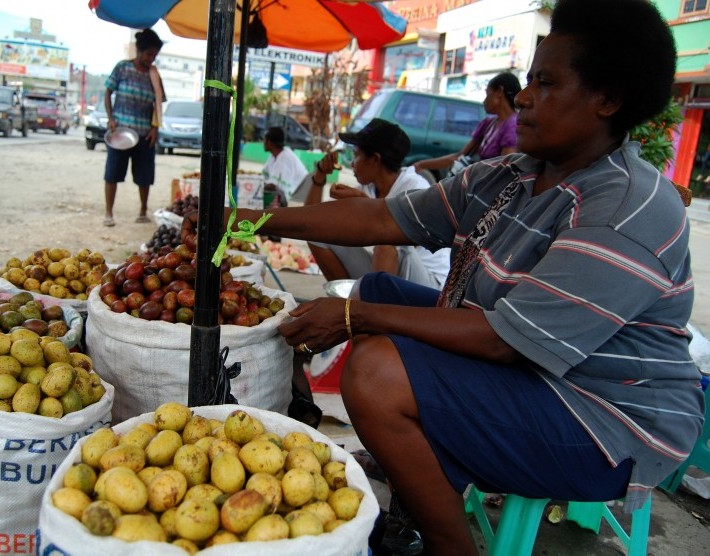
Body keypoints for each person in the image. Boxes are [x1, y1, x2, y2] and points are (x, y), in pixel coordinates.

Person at [182, 1, 704, 554]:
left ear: (607, 99)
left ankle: (447, 544)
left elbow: (507, 341)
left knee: (377, 373)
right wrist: (243, 219)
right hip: (535, 369)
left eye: (546, 83)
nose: (522, 97)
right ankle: (413, 466)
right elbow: (381, 217)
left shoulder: (626, 207)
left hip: (604, 417)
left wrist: (356, 319)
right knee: (377, 289)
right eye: (528, 79)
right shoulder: (513, 174)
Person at [299, 118, 450, 288]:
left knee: (388, 243)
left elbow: (408, 239)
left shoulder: (415, 187)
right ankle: (349, 306)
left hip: (428, 286)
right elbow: (310, 221)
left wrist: (366, 204)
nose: (351, 163)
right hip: (389, 275)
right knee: (320, 232)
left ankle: (364, 311)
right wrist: (320, 175)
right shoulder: (368, 186)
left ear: (375, 160)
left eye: (356, 155)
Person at [102, 28, 165, 227]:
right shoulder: (122, 68)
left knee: (144, 176)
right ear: (139, 50)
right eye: (149, 54)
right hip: (120, 132)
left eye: (154, 56)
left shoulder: (154, 76)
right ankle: (108, 213)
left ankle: (143, 211)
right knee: (113, 174)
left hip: (145, 133)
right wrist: (111, 118)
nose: (151, 59)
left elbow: (158, 104)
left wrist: (155, 128)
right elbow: (107, 93)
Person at [413, 71, 521, 179]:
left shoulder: (512, 126)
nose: (484, 101)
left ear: (499, 92)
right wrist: (421, 164)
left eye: (488, 94)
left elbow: (503, 173)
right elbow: (459, 156)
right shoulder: (488, 123)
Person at [260, 126, 308, 207]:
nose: (263, 142)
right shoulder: (274, 156)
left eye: (264, 140)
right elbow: (265, 178)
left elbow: (275, 187)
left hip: (298, 200)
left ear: (270, 143)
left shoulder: (285, 158)